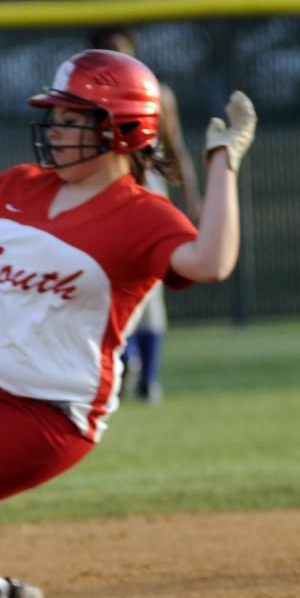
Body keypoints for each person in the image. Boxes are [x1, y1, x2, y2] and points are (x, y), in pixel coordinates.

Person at [0, 48, 255, 598]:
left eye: (76, 119)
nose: (57, 130)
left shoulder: (140, 214)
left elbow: (212, 261)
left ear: (124, 129)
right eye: (58, 116)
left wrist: (223, 160)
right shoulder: (17, 186)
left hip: (49, 410)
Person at [90, 26, 203, 405]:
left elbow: (176, 150)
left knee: (151, 292)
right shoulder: (90, 99)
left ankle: (146, 376)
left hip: (148, 199)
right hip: (107, 199)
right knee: (108, 285)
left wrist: (193, 196)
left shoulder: (158, 94)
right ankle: (128, 360)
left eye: (123, 51)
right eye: (109, 52)